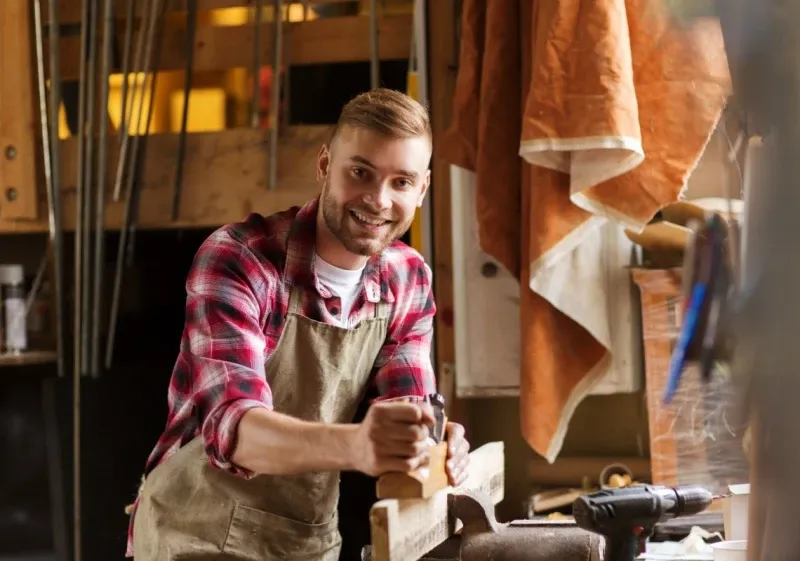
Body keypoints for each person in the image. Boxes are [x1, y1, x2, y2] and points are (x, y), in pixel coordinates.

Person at [127, 88, 471, 561]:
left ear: (422, 189)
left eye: (401, 182)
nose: (378, 200)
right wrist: (359, 445)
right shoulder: (240, 259)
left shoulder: (407, 278)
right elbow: (236, 430)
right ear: (325, 165)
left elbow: (407, 410)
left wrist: (430, 442)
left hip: (303, 540)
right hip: (193, 532)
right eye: (360, 172)